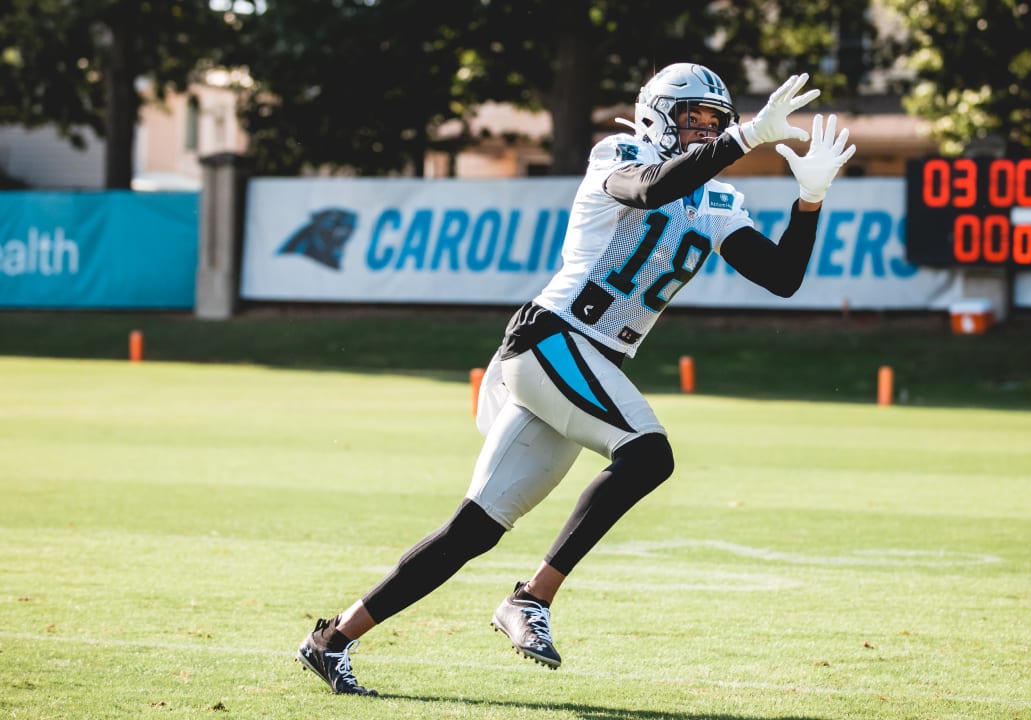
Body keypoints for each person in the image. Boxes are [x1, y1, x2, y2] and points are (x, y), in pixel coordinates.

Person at [295, 63, 857, 695]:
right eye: (691, 118)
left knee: (474, 529)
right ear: (655, 115)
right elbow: (649, 191)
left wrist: (809, 201)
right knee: (648, 454)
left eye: (713, 122)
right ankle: (533, 598)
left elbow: (781, 276)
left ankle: (331, 639)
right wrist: (745, 137)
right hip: (551, 339)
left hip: (590, 365)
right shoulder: (618, 153)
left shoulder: (721, 200)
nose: (703, 132)